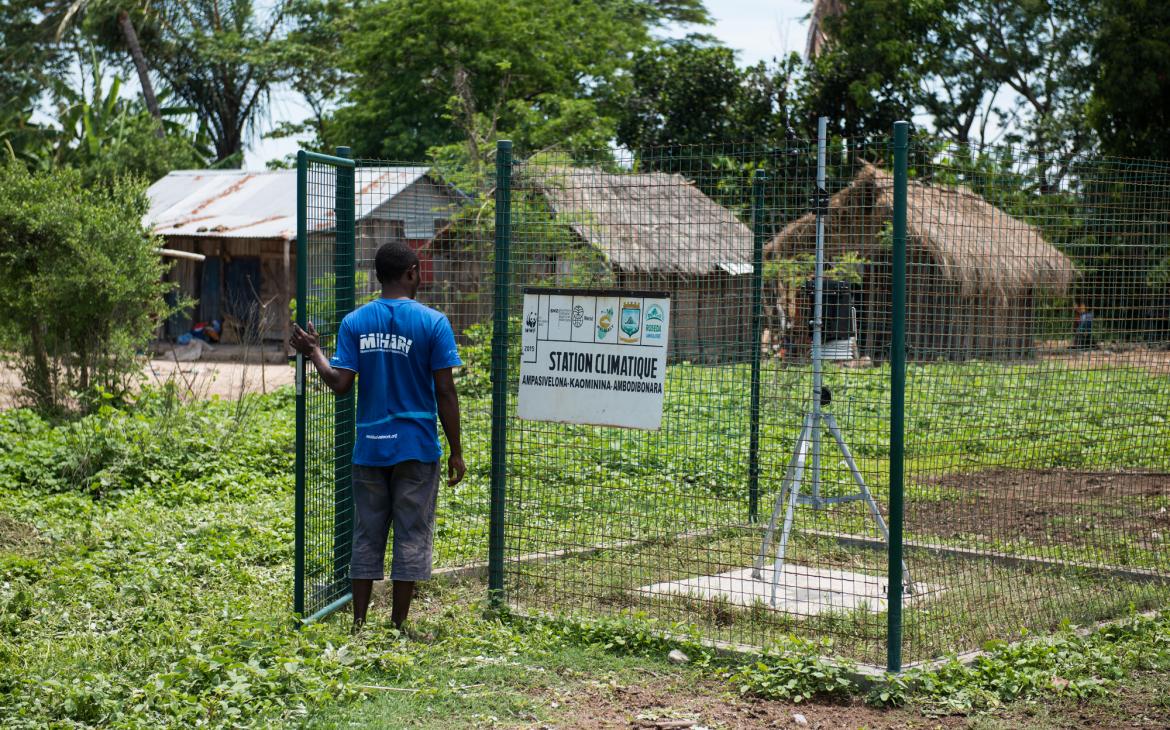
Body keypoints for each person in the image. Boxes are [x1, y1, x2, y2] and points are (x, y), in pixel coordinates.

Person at [290, 241, 465, 634]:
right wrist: (456, 451)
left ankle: (358, 624)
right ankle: (398, 626)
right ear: (412, 273)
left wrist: (316, 351)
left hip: (370, 447)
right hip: (416, 448)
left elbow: (339, 383)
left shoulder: (355, 322)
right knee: (412, 534)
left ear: (377, 276)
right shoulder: (433, 323)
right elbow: (445, 392)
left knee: (367, 535)